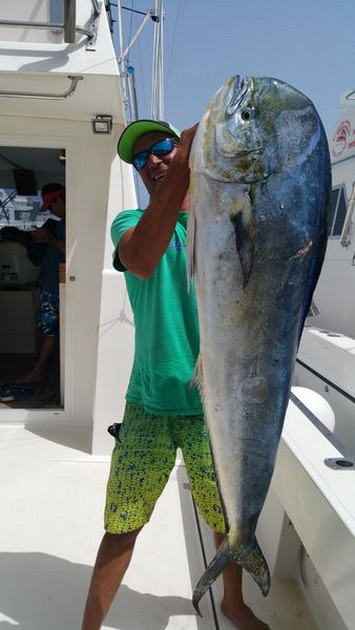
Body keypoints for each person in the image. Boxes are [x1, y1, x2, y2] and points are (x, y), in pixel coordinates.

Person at [81, 121, 269, 630]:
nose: (154, 162)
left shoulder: (225, 223)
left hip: (217, 410)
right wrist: (182, 168)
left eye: (163, 149)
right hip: (148, 407)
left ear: (183, 150)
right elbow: (140, 260)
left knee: (226, 521)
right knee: (121, 525)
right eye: (142, 159)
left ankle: (233, 602)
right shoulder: (129, 224)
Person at [15, 183, 66, 384]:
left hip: (56, 287)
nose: (51, 211)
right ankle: (40, 367)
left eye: (52, 206)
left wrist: (49, 238)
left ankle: (38, 371)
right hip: (50, 284)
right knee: (47, 330)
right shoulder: (62, 222)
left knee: (49, 330)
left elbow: (68, 251)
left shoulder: (71, 222)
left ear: (60, 199)